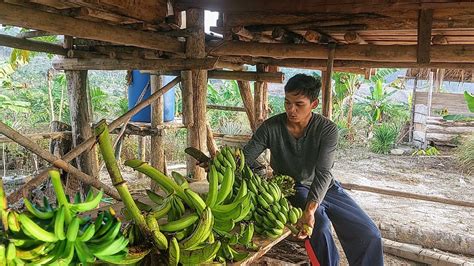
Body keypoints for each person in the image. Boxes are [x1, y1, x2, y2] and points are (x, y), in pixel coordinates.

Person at [243, 74, 384, 266]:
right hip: (293, 188)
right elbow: (245, 157)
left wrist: (311, 208)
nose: (291, 110)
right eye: (287, 103)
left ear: (314, 104)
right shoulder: (270, 127)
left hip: (326, 186)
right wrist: (222, 163)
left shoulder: (327, 129)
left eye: (298, 104)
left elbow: (324, 173)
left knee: (369, 233)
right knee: (320, 227)